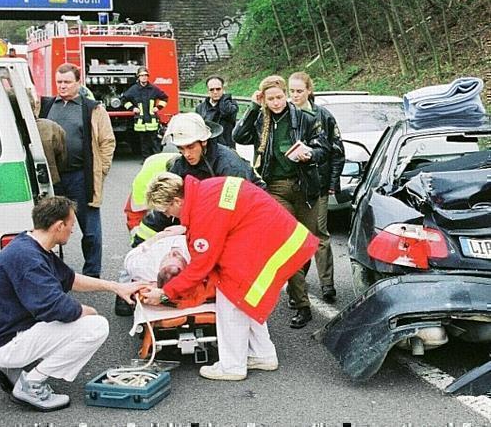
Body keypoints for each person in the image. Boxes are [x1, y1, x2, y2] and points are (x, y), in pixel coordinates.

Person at [0, 196, 149, 412]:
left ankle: (12, 370)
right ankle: (32, 383)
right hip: (4, 343)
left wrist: (116, 287)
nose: (73, 231)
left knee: (83, 318)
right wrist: (86, 311)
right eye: (71, 225)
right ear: (59, 226)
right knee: (96, 326)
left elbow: (69, 279)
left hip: (2, 334)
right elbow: (55, 307)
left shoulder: (29, 244)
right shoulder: (30, 259)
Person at [141, 173, 319, 380]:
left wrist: (164, 293)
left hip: (263, 240)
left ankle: (232, 366)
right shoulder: (206, 189)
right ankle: (262, 354)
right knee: (247, 299)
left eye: (167, 210)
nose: (169, 216)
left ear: (177, 201)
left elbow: (200, 267)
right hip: (274, 235)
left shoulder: (203, 213)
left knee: (231, 298)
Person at [233, 75, 330, 329]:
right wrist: (253, 108)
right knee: (291, 246)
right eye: (270, 99)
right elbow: (238, 135)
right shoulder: (260, 120)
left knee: (308, 245)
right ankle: (302, 304)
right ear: (263, 99)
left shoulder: (305, 119)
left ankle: (295, 287)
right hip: (275, 188)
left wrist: (309, 154)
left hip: (305, 186)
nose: (276, 103)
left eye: (279, 97)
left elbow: (324, 148)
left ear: (286, 94)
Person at [131, 112, 267, 247]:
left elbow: (231, 214)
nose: (186, 154)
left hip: (250, 214)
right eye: (181, 148)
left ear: (204, 142)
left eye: (190, 147)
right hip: (213, 214)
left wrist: (189, 230)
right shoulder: (181, 165)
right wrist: (140, 246)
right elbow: (167, 204)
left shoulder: (229, 166)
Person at [39, 63, 116, 278]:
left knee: (90, 231)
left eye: (67, 82)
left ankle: (92, 274)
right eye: (59, 82)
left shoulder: (92, 108)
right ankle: (52, 273)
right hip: (54, 178)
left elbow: (107, 142)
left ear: (78, 83)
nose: (62, 86)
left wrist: (101, 171)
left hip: (81, 178)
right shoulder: (46, 107)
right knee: (50, 228)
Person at [288, 72, 345, 303]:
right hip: (291, 186)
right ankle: (297, 288)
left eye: (299, 91)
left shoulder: (323, 116)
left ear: (309, 90)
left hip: (317, 185)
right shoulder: (285, 115)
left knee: (320, 235)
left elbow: (337, 153)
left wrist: (331, 183)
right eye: (291, 91)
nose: (295, 96)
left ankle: (327, 285)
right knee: (295, 238)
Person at [123, 226, 216, 309]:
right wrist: (186, 229)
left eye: (169, 257)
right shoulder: (200, 260)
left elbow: (132, 255)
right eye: (178, 256)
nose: (172, 252)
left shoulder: (142, 267)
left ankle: (122, 292)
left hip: (164, 236)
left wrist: (158, 237)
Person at [122, 66, 169, 161]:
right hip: (141, 121)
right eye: (142, 76)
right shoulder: (133, 89)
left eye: (146, 75)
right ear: (138, 77)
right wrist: (132, 108)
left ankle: (157, 160)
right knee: (143, 142)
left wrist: (158, 107)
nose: (144, 77)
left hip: (152, 121)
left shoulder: (153, 89)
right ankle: (146, 160)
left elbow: (165, 98)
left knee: (155, 141)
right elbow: (123, 100)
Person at [195, 75, 239, 148]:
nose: (215, 92)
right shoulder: (200, 108)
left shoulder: (231, 105)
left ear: (223, 89)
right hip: (207, 148)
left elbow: (226, 112)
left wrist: (225, 98)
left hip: (226, 148)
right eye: (212, 90)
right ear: (208, 91)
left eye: (218, 89)